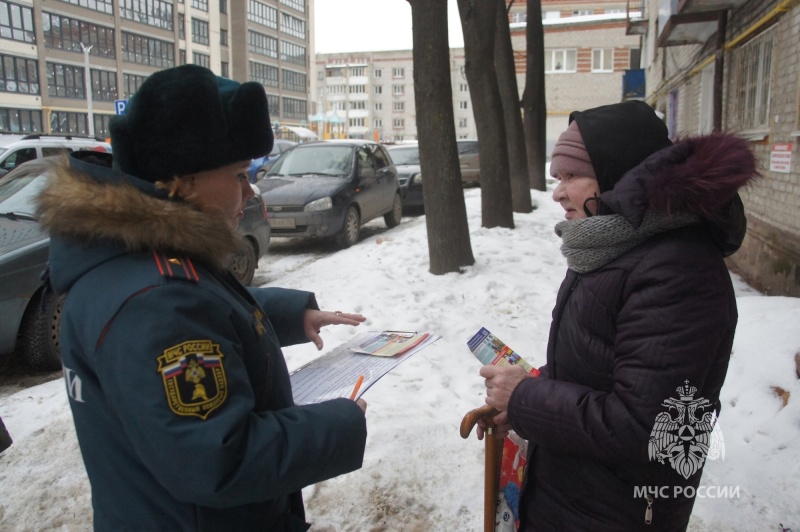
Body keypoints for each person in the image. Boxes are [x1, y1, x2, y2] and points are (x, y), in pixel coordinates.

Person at [35, 65, 368, 531]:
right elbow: (219, 460)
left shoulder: (135, 262)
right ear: (184, 181)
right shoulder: (154, 300)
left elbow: (204, 308)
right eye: (238, 174)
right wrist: (342, 423)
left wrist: (293, 314)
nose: (250, 191)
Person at [478, 100, 758, 530]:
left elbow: (644, 427)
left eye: (571, 176)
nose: (557, 192)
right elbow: (600, 364)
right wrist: (527, 397)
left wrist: (526, 397)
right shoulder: (613, 246)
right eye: (557, 178)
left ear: (618, 175)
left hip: (621, 511)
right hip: (576, 496)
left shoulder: (678, 270)